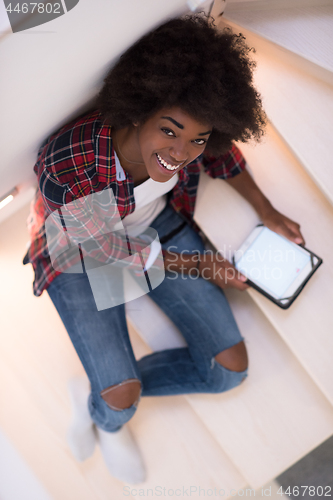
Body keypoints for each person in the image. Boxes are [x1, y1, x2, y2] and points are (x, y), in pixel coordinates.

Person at [23, 14, 304, 483]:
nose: (180, 152)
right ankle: (107, 408)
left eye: (196, 139)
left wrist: (267, 208)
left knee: (227, 371)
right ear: (139, 109)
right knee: (120, 400)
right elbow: (105, 251)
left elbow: (225, 155)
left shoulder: (197, 140)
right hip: (77, 254)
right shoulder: (66, 159)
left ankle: (102, 393)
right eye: (170, 131)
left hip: (154, 229)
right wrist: (197, 265)